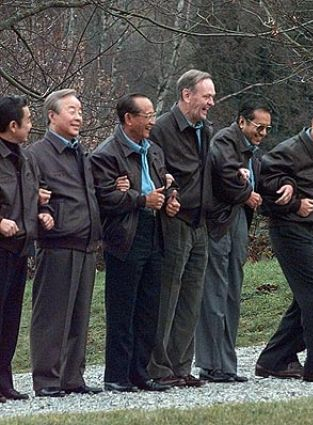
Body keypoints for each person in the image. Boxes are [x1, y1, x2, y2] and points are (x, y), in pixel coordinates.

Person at [91, 93, 180, 392]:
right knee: (122, 308)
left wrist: (171, 198)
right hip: (125, 237)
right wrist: (141, 200)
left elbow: (164, 183)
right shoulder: (106, 154)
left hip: (154, 231)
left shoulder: (153, 150)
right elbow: (105, 197)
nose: (153, 121)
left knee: (148, 307)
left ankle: (140, 373)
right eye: (148, 115)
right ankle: (117, 375)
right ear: (129, 118)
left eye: (153, 115)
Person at [255, 103, 313, 382]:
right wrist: (293, 201)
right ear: (312, 121)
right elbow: (266, 181)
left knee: (307, 297)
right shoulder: (290, 149)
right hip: (289, 229)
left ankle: (272, 359)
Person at [29, 89, 103, 397]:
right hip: (57, 244)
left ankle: (72, 378)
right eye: (71, 110)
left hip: (86, 244)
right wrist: (42, 209)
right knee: (52, 317)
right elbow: (27, 194)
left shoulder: (81, 153)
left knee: (78, 317)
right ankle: (47, 380)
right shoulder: (36, 154)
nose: (78, 117)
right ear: (52, 115)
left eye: (80, 111)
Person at [147, 69, 215, 388]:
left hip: (201, 223)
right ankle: (158, 367)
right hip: (174, 222)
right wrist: (170, 195)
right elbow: (154, 168)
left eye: (212, 97)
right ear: (187, 95)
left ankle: (181, 365)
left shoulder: (206, 130)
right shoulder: (162, 128)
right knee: (168, 296)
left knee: (191, 298)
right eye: (206, 96)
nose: (211, 102)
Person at [195, 102, 270, 383]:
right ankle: (210, 364)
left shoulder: (250, 149)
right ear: (242, 122)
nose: (263, 133)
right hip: (220, 222)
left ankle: (226, 365)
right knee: (214, 292)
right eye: (259, 127)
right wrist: (246, 192)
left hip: (236, 219)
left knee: (231, 292)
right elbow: (226, 175)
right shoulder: (225, 140)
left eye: (267, 128)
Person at [0, 96, 54, 402]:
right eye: (28, 120)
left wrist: (40, 209)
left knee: (10, 319)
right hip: (1, 246)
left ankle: (4, 383)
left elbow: (26, 195)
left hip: (20, 247)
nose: (32, 125)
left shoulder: (25, 157)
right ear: (12, 125)